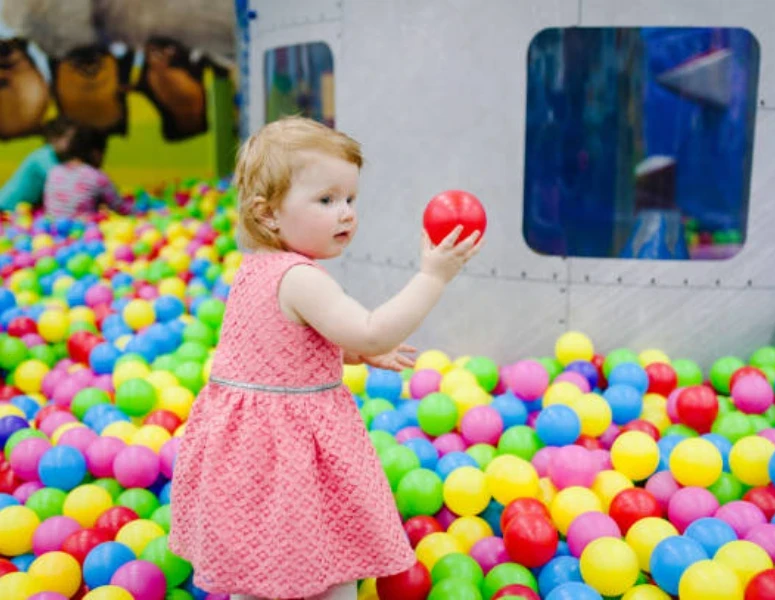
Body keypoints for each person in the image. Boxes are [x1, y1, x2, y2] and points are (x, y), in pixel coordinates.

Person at [168, 115, 484, 600]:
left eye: (350, 198)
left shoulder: (256, 269)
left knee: (257, 562)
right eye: (326, 199)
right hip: (288, 446)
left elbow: (273, 348)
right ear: (268, 213)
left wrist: (349, 354)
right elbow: (374, 329)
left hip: (248, 450)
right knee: (331, 564)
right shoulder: (303, 278)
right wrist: (433, 278)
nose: (346, 213)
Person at [42, 126, 131, 218]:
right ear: (96, 153)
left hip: (50, 228)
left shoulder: (54, 171)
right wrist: (139, 210)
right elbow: (120, 208)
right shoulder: (97, 177)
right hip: (83, 229)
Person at [0, 116, 76, 212]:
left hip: (20, 208)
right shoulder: (43, 156)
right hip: (8, 205)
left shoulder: (55, 157)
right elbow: (61, 181)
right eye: (70, 139)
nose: (74, 144)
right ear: (54, 138)